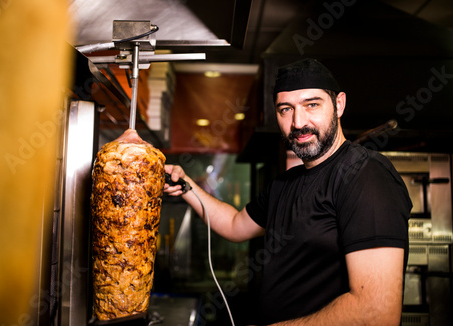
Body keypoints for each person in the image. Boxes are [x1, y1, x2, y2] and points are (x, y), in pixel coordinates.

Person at [164, 58, 412, 325]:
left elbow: (376, 313)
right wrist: (186, 185)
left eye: (312, 105)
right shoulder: (285, 183)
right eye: (285, 109)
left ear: (339, 104)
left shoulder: (366, 175)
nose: (298, 122)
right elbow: (235, 225)